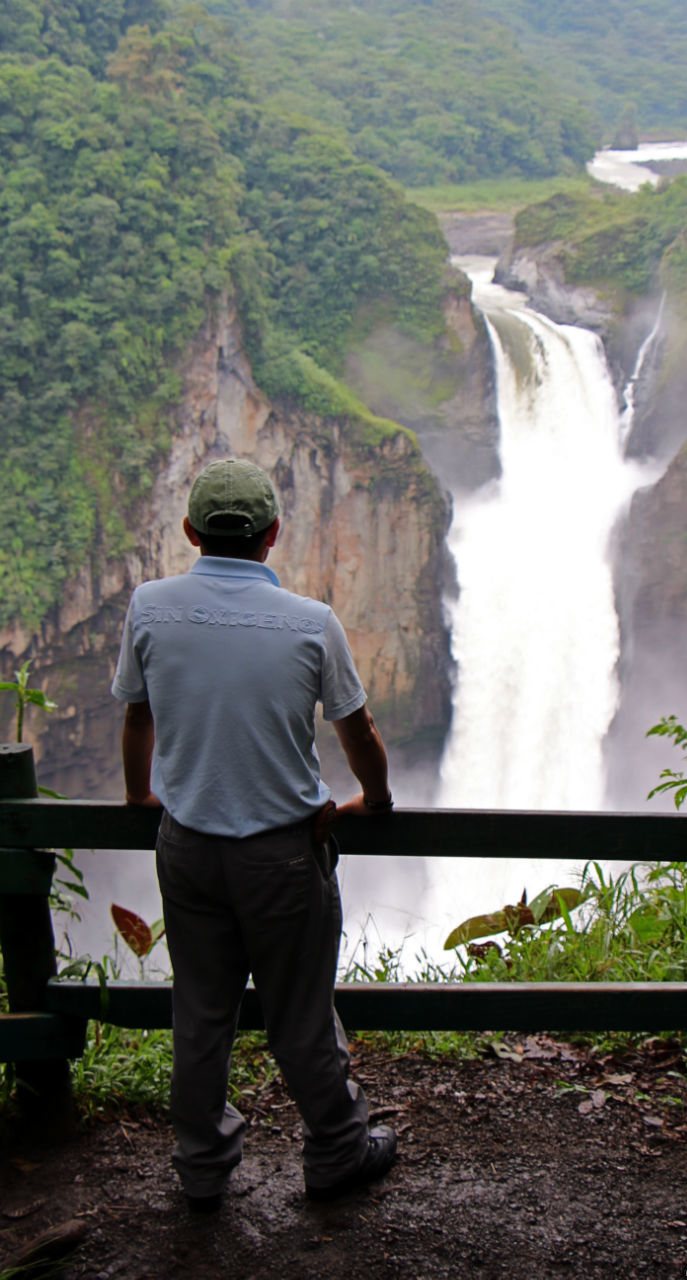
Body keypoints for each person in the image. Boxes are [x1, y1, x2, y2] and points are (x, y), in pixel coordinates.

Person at [111, 457, 397, 1208]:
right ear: (273, 534)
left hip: (188, 845)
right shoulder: (311, 623)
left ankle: (201, 1167)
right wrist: (375, 799)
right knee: (299, 1010)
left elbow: (138, 713)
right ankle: (336, 1150)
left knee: (200, 1011)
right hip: (282, 855)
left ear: (189, 532)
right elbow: (356, 727)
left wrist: (140, 795)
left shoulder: (149, 606)